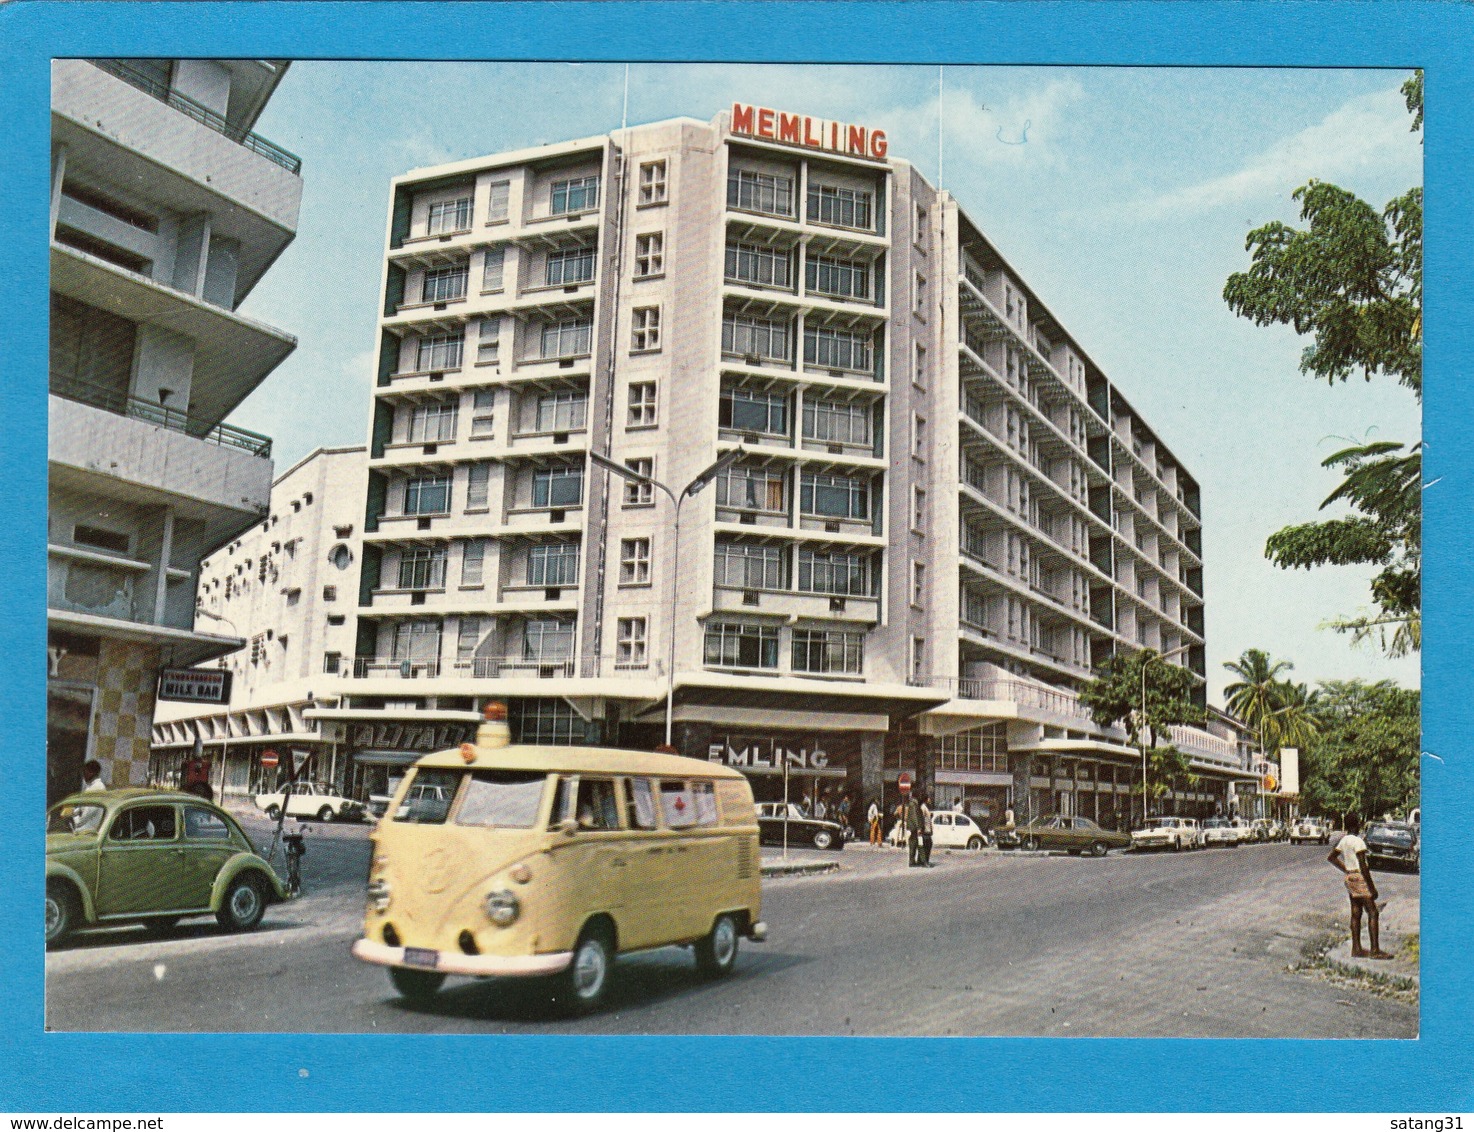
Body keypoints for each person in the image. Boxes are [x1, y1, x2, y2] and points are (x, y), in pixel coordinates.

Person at [1328, 812, 1392, 960]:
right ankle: (1375, 950)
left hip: (1350, 877)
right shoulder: (1359, 842)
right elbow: (1364, 866)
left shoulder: (1343, 841)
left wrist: (1346, 869)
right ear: (1357, 825)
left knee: (1356, 912)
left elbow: (1332, 857)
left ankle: (1356, 948)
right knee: (1373, 912)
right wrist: (1372, 887)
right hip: (1359, 877)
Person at [904, 792, 923, 867]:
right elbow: (915, 816)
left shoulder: (912, 804)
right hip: (913, 828)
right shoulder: (913, 804)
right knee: (913, 844)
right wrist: (918, 827)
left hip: (913, 827)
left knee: (914, 844)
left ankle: (913, 860)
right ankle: (912, 861)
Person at [919, 794, 935, 866]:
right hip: (925, 829)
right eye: (928, 798)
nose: (929, 800)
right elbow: (921, 818)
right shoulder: (923, 807)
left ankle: (925, 861)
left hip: (927, 829)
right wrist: (920, 829)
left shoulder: (925, 807)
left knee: (928, 845)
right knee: (926, 846)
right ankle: (925, 862)